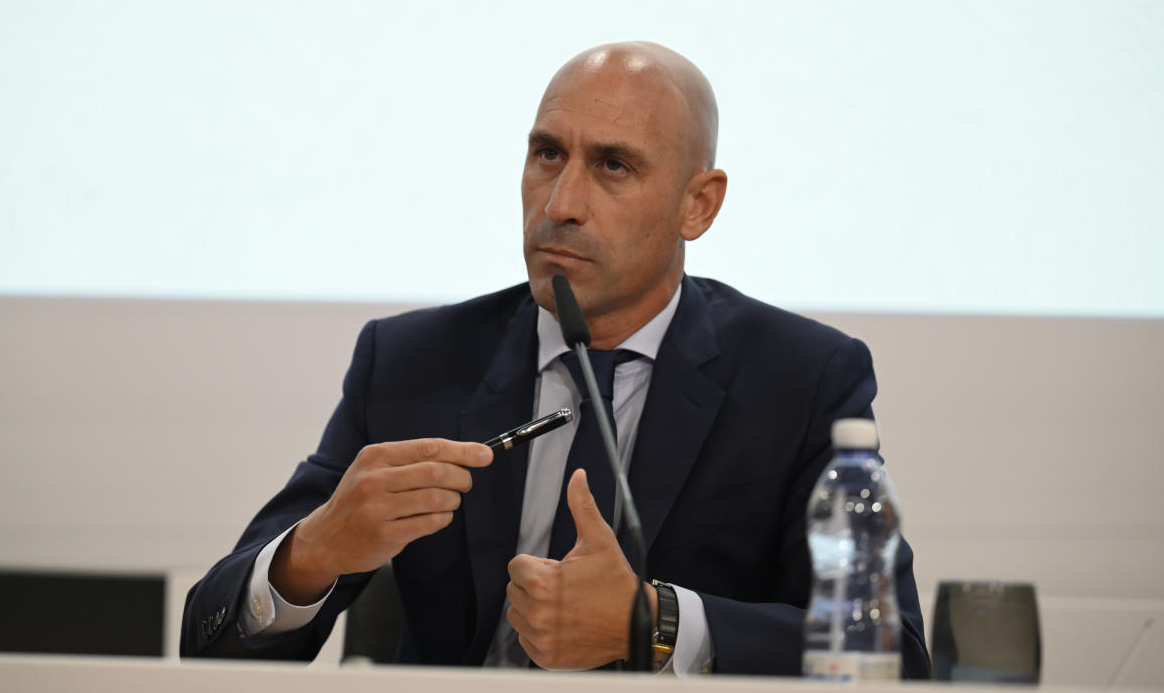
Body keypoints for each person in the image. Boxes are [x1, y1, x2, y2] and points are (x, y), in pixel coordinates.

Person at [181, 41, 931, 676]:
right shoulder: (413, 363)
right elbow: (207, 642)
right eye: (547, 154)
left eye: (613, 166)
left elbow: (890, 658)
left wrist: (659, 623)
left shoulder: (799, 380)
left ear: (697, 204)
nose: (561, 202)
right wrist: (312, 553)